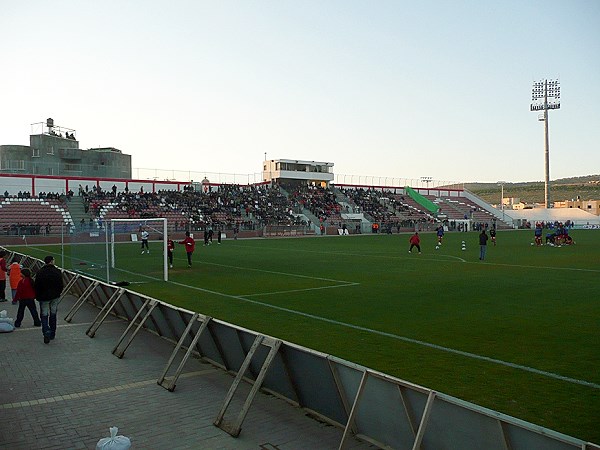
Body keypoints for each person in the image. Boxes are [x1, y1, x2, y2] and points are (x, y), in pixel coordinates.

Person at [35, 255, 64, 344]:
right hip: (54, 296)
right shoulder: (57, 271)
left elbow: (37, 285)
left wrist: (38, 295)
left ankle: (46, 332)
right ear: (51, 261)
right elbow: (61, 284)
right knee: (53, 314)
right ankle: (52, 333)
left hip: (43, 297)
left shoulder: (40, 272)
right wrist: (58, 293)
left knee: (44, 315)